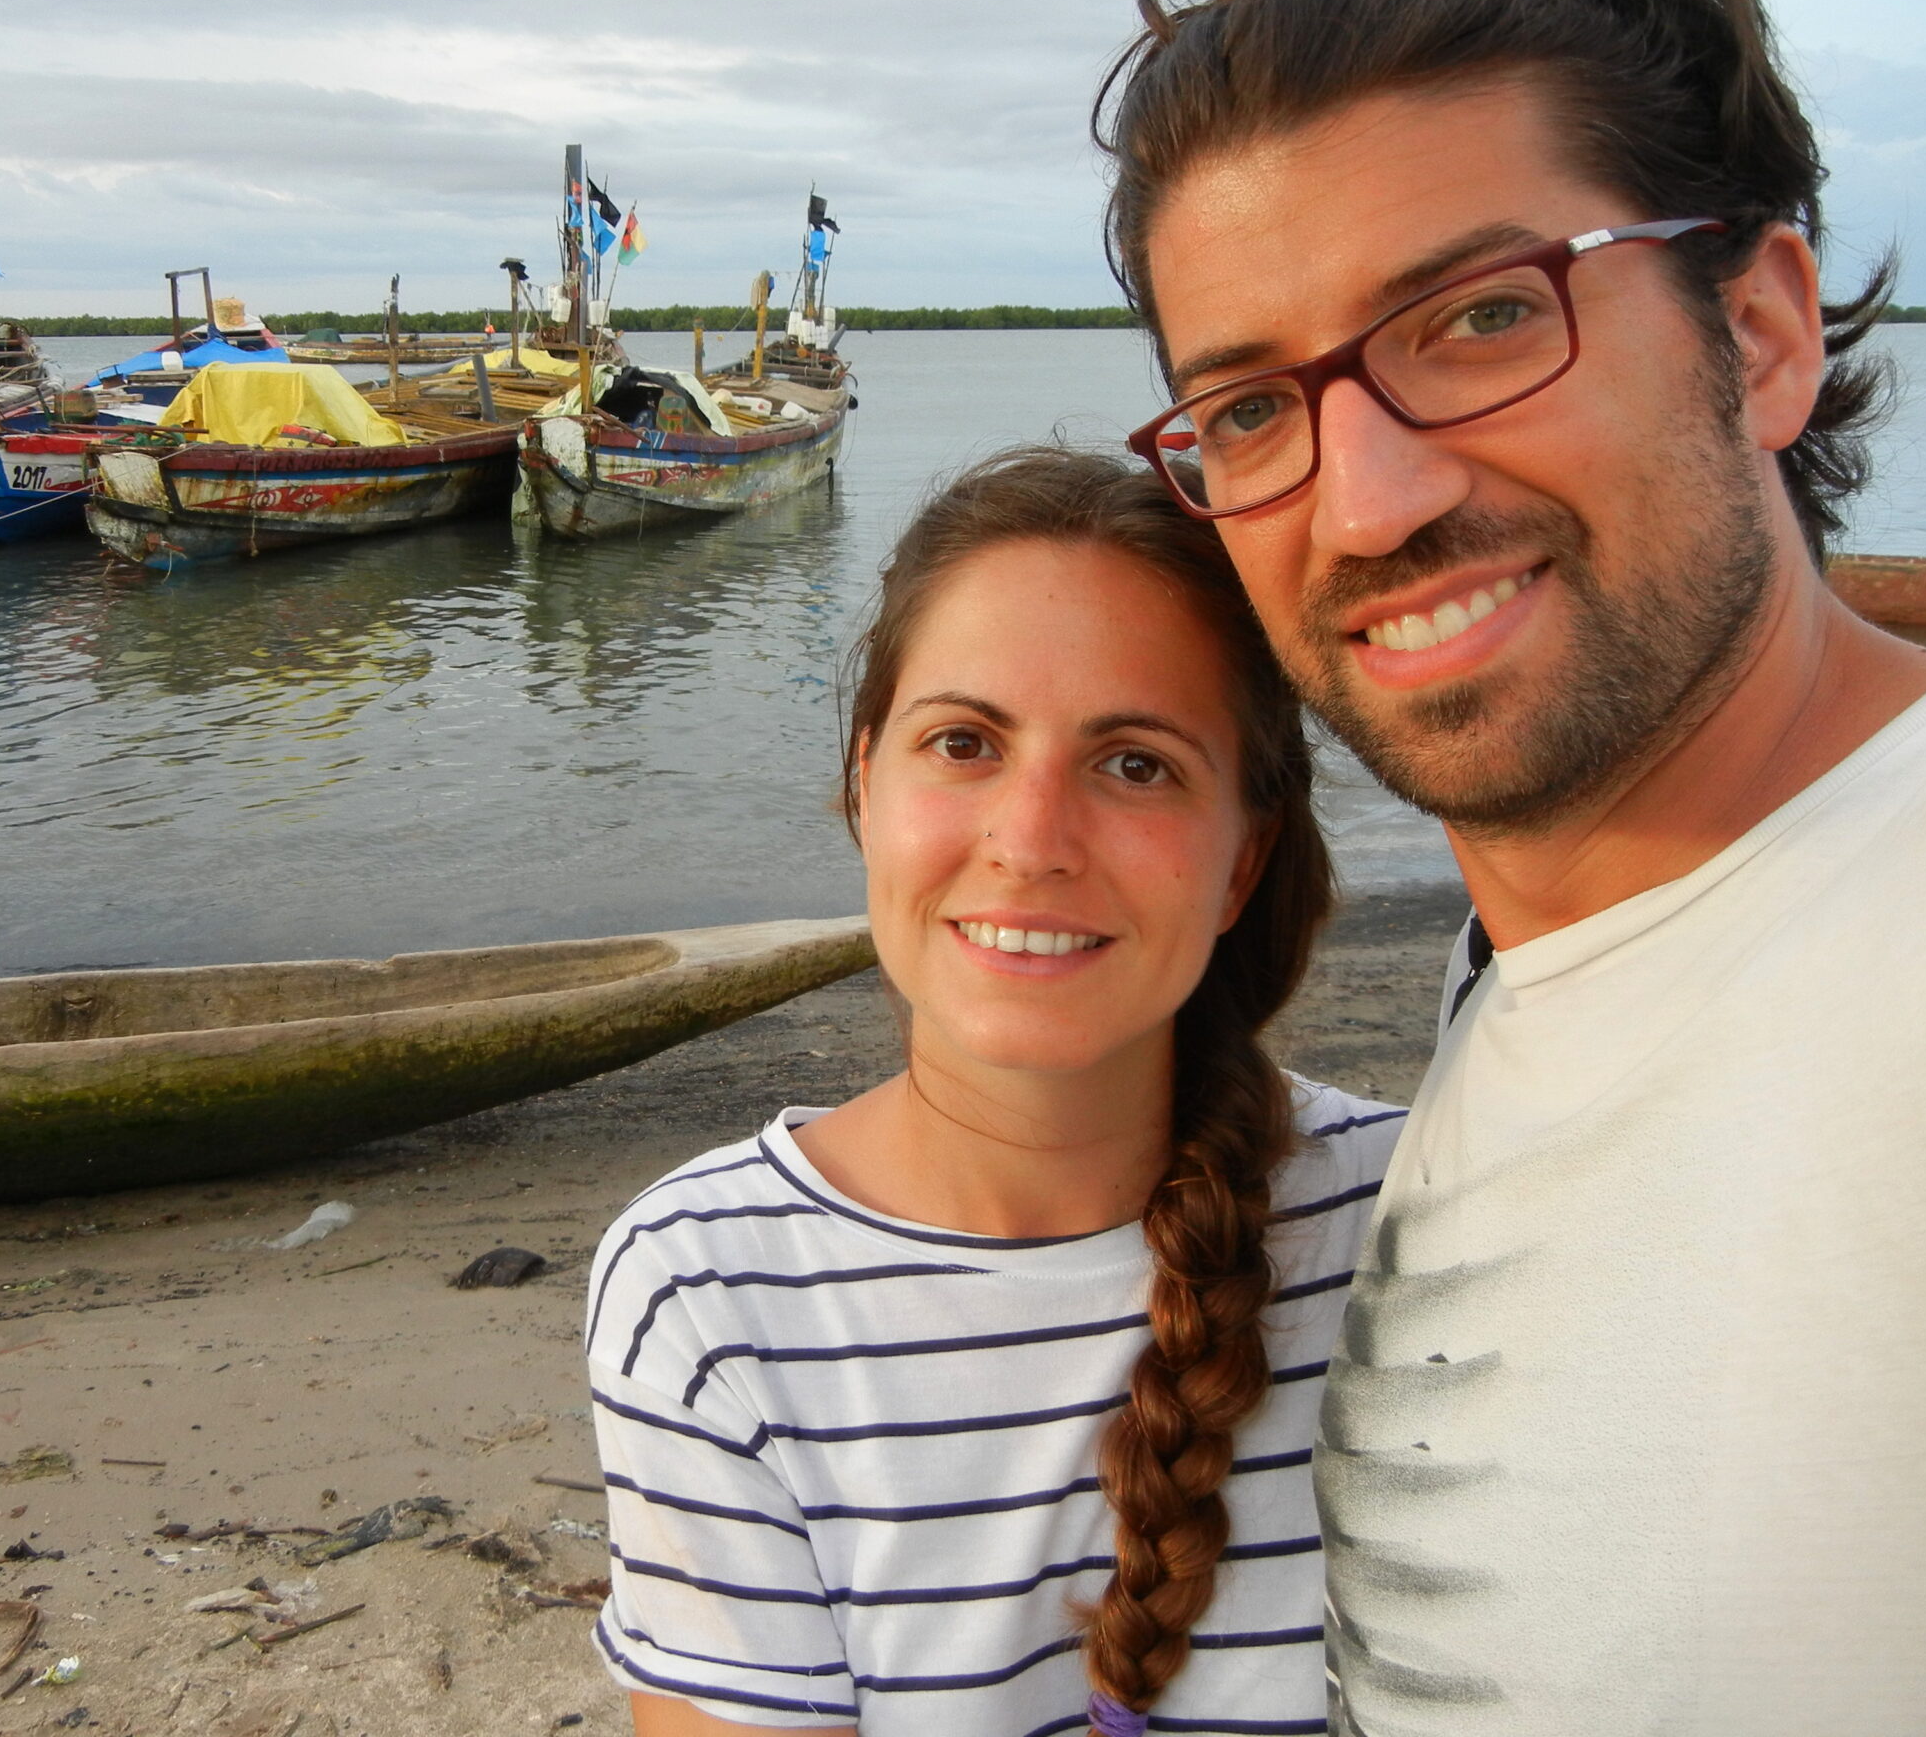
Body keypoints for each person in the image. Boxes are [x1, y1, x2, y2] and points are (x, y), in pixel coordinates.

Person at [1097, 0, 1926, 1732]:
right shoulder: (1541, 963)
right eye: (1251, 409)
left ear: (1757, 332)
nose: (1373, 499)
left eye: (1486, 316)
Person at [585, 448, 1405, 1736]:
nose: (1029, 840)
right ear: (865, 784)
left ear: (1243, 856)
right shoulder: (707, 1289)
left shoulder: (1415, 1222)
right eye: (963, 743)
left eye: (1135, 764)